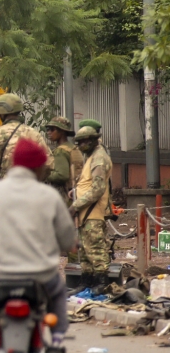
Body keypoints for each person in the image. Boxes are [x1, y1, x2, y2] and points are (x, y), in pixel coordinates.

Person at [0, 138, 76, 353]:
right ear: (37, 167)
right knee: (59, 293)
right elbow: (67, 239)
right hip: (40, 276)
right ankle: (57, 344)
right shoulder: (49, 196)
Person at [70, 125, 113, 295]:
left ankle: (101, 283)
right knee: (85, 250)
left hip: (92, 213)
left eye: (81, 143)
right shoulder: (91, 157)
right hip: (85, 213)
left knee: (95, 249)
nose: (79, 146)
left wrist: (75, 206)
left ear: (90, 141)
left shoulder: (99, 159)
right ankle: (86, 281)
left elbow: (97, 189)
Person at [44, 116, 83, 206]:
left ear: (62, 131)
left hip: (66, 195)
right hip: (77, 192)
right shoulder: (74, 148)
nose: (49, 132)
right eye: (48, 129)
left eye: (52, 129)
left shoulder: (61, 151)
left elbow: (61, 175)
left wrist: (44, 175)